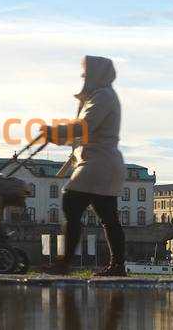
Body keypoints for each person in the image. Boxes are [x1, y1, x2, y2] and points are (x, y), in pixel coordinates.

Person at [45, 55, 126, 276]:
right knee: (108, 216)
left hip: (97, 163)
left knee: (71, 203)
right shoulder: (101, 96)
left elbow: (85, 126)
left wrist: (57, 132)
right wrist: (58, 135)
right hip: (100, 162)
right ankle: (117, 266)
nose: (83, 76)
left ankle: (65, 263)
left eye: (86, 72)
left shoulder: (102, 96)